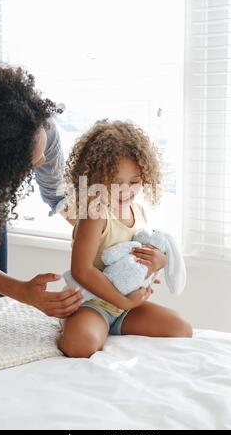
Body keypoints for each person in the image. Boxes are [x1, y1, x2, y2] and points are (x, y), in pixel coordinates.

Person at [58, 120, 193, 358]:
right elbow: (82, 270)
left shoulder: (139, 212)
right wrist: (124, 301)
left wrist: (158, 263)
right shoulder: (95, 213)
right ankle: (73, 324)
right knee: (81, 344)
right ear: (95, 178)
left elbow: (134, 264)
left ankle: (111, 327)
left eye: (134, 182)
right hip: (93, 303)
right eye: (115, 182)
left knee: (181, 328)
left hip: (126, 308)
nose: (125, 191)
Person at [0, 60, 83, 317]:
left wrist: (111, 233)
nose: (42, 162)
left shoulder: (40, 126)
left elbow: (59, 193)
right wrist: (23, 292)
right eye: (29, 163)